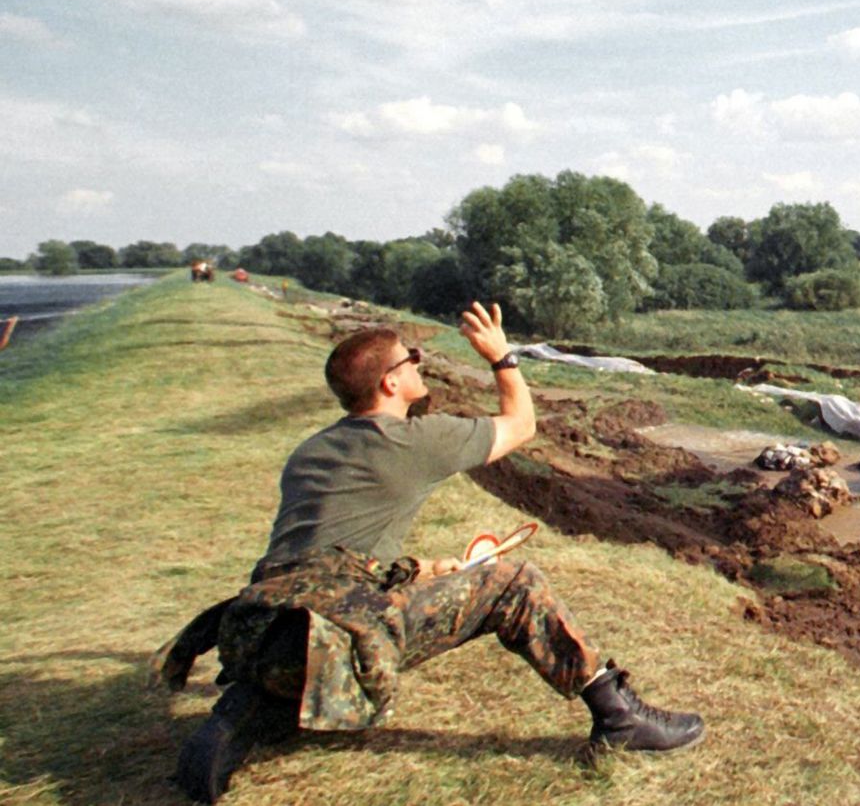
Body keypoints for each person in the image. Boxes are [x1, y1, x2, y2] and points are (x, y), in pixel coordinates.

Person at [153, 301, 703, 802]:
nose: (421, 364)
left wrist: (421, 570)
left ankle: (244, 710)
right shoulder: (415, 439)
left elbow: (325, 559)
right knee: (515, 582)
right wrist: (501, 356)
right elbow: (522, 426)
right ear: (391, 383)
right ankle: (617, 717)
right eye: (411, 359)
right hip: (325, 643)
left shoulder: (309, 451)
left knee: (304, 650)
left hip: (257, 635)